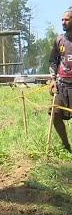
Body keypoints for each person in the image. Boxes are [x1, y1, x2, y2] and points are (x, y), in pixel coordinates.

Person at [48, 9, 72, 152]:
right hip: (62, 85)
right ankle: (66, 145)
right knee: (55, 114)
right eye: (62, 19)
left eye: (67, 19)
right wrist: (52, 80)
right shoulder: (59, 40)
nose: (63, 22)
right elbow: (53, 61)